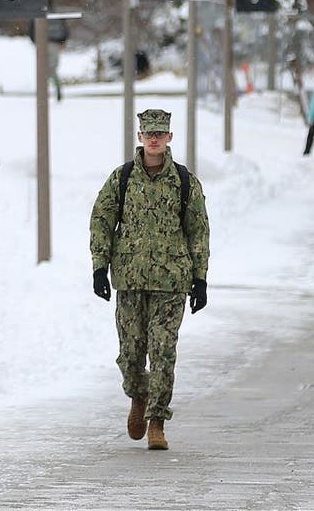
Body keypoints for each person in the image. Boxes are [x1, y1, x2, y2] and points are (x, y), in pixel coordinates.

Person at [88, 109, 210, 451]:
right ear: (140, 137)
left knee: (163, 352)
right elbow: (101, 220)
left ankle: (157, 421)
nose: (154, 139)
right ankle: (138, 396)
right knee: (130, 353)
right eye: (148, 133)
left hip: (172, 282)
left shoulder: (185, 182)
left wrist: (200, 280)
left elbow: (198, 232)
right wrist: (100, 267)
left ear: (169, 137)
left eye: (160, 133)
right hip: (129, 279)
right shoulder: (122, 178)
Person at [25, 6, 69, 102]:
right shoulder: (56, 14)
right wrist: (62, 41)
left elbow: (31, 30)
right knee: (51, 68)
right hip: (53, 43)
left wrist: (35, 41)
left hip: (43, 42)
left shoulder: (38, 14)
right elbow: (64, 29)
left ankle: (44, 90)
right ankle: (48, 90)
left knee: (45, 69)